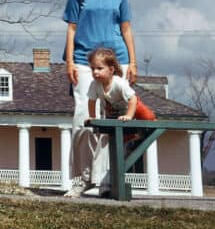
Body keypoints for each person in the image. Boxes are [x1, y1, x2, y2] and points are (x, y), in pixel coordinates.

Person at [63, 0, 137, 194]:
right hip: (84, 61)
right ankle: (81, 180)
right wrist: (70, 61)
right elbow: (71, 29)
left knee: (112, 122)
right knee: (83, 117)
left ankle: (105, 181)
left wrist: (133, 62)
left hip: (118, 62)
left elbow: (126, 29)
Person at [65, 47, 157, 197]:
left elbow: (132, 99)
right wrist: (93, 117)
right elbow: (91, 100)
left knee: (149, 119)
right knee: (111, 136)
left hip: (132, 107)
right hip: (113, 115)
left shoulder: (119, 83)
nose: (95, 72)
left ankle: (146, 129)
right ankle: (97, 180)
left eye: (100, 68)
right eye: (93, 68)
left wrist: (129, 115)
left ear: (111, 69)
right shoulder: (95, 85)